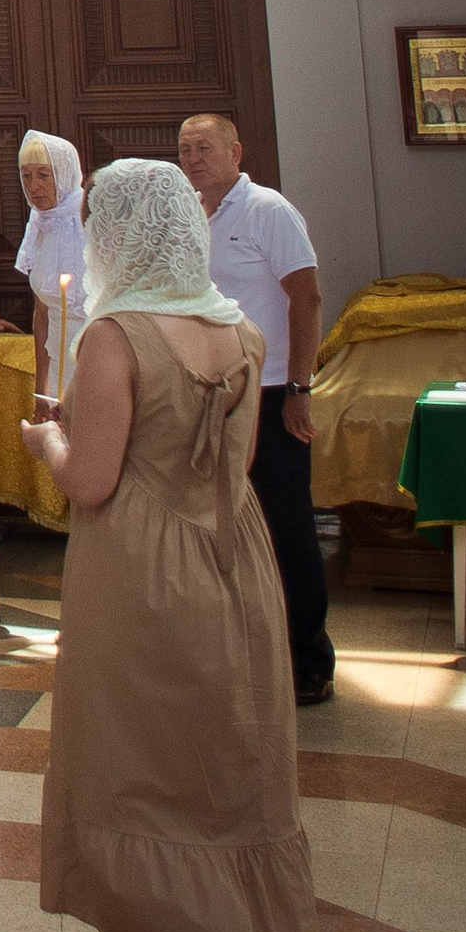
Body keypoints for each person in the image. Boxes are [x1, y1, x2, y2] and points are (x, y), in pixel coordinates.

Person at [23, 157, 312, 932]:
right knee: (219, 763)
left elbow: (93, 479)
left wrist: (48, 439)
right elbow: (231, 455)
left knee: (138, 769)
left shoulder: (115, 335)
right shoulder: (237, 331)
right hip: (235, 562)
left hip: (144, 576)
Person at [179, 113, 333, 704]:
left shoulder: (268, 211)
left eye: (206, 148)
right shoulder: (190, 215)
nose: (194, 159)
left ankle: (308, 660)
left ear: (236, 151)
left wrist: (299, 387)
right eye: (186, 150)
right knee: (226, 525)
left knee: (286, 525)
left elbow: (308, 297)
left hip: (272, 394)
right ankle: (248, 650)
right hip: (215, 392)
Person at [17, 130, 88, 406]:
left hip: (98, 354)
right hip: (59, 359)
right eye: (26, 175)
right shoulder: (39, 225)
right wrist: (41, 389)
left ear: (65, 173)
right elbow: (42, 313)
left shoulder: (92, 221)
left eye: (44, 175)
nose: (34, 186)